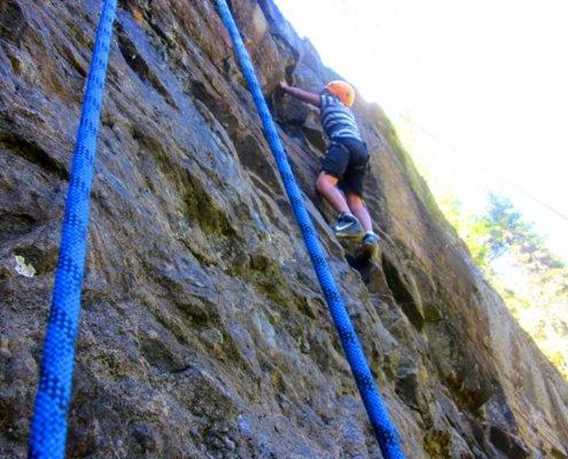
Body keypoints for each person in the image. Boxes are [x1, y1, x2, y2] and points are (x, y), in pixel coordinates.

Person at [279, 79, 380, 254]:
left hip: (343, 143)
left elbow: (308, 98)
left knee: (324, 184)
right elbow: (319, 109)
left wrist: (287, 88)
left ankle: (347, 218)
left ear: (332, 93)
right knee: (355, 199)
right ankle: (369, 234)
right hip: (361, 151)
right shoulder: (347, 112)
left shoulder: (329, 101)